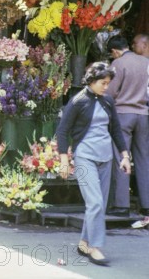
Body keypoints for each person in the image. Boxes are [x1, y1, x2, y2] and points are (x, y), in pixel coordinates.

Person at [57, 62, 131, 266]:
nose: (106, 87)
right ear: (91, 81)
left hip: (105, 157)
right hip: (84, 157)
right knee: (95, 202)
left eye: (108, 83)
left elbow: (116, 129)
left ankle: (84, 242)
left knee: (98, 205)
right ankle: (95, 247)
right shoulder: (78, 101)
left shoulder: (107, 101)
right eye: (103, 82)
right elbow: (62, 131)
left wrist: (124, 156)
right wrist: (64, 160)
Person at [105, 35, 149, 217]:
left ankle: (121, 205)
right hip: (143, 115)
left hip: (123, 114)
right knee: (143, 158)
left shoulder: (118, 64)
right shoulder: (145, 62)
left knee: (121, 156)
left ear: (115, 51)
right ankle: (146, 204)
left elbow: (110, 92)